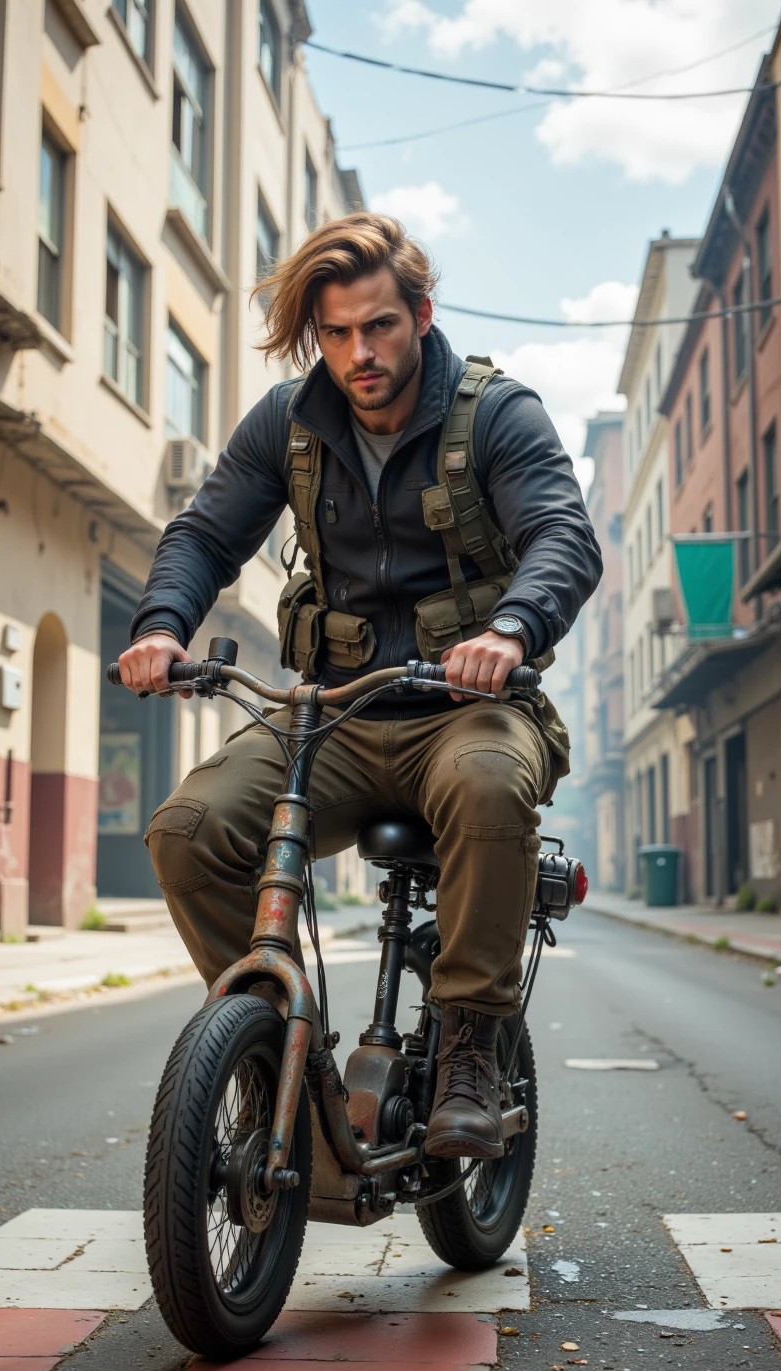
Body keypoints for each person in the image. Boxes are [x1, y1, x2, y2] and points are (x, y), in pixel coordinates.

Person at [119, 213, 602, 1160]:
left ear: (420, 315)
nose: (359, 353)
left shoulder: (496, 414)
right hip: (331, 714)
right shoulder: (289, 424)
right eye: (336, 334)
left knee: (490, 787)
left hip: (469, 711)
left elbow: (563, 533)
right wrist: (161, 626)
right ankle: (273, 1048)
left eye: (378, 326)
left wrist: (510, 629)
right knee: (187, 832)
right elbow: (207, 535)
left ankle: (470, 1046)